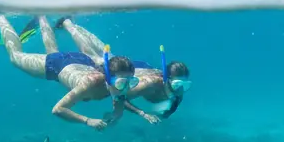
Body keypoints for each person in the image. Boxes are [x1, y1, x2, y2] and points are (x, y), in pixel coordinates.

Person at [0, 15, 137, 129]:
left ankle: (43, 16)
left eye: (132, 82)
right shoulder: (89, 84)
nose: (126, 88)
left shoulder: (118, 87)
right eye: (122, 83)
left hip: (84, 61)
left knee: (54, 50)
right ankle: (0, 16)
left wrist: (116, 115)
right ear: (107, 78)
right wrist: (87, 120)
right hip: (58, 65)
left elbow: (119, 100)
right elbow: (58, 109)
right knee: (15, 57)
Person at [57, 17, 192, 122]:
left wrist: (168, 112)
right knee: (93, 54)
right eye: (177, 84)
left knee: (105, 52)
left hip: (135, 70)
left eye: (185, 85)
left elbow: (176, 100)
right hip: (130, 71)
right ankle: (68, 24)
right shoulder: (147, 84)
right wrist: (142, 114)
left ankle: (75, 26)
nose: (180, 89)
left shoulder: (177, 90)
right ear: (166, 80)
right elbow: (121, 97)